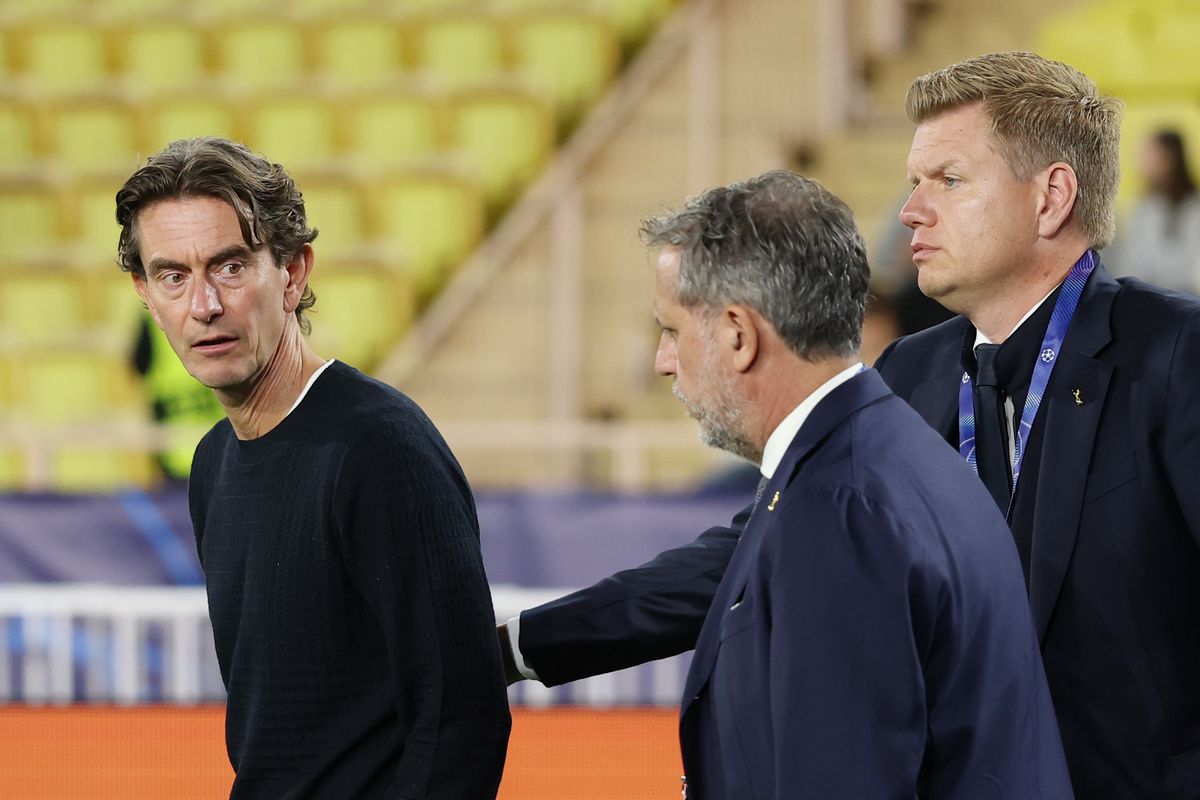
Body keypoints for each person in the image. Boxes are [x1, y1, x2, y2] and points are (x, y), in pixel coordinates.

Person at [501, 52, 1200, 798]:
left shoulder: (1178, 357)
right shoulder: (910, 371)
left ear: (1051, 197)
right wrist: (516, 647)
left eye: (949, 180)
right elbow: (753, 552)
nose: (911, 211)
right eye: (913, 182)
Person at [116, 137, 510, 799]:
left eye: (231, 266)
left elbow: (461, 718)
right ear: (147, 295)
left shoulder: (380, 450)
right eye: (173, 275)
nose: (203, 305)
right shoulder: (212, 462)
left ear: (293, 274)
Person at [667, 170, 1071, 797]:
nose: (663, 360)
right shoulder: (887, 451)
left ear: (739, 336)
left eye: (671, 330)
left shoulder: (837, 507)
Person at [1108, 129, 1200, 292]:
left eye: (1149, 155)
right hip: (1149, 297)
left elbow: (1191, 271)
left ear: (1169, 159)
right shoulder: (1145, 205)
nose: (1141, 163)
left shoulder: (1193, 206)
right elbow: (1133, 262)